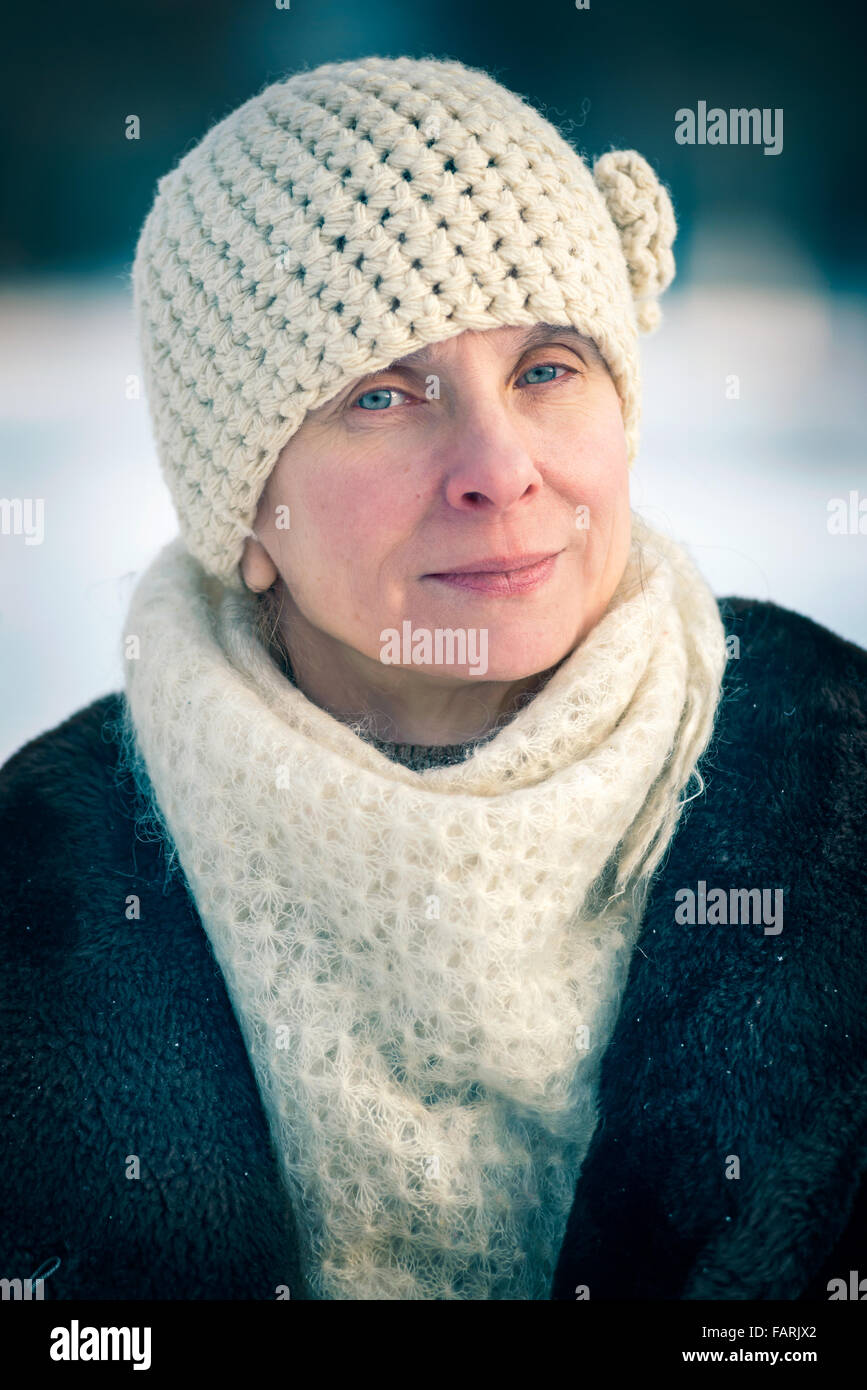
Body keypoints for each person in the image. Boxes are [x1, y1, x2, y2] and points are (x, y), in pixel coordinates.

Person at [1, 54, 865, 1303]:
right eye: (383, 394)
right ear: (244, 513)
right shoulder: (44, 898)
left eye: (547, 368)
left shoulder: (834, 787)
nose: (498, 469)